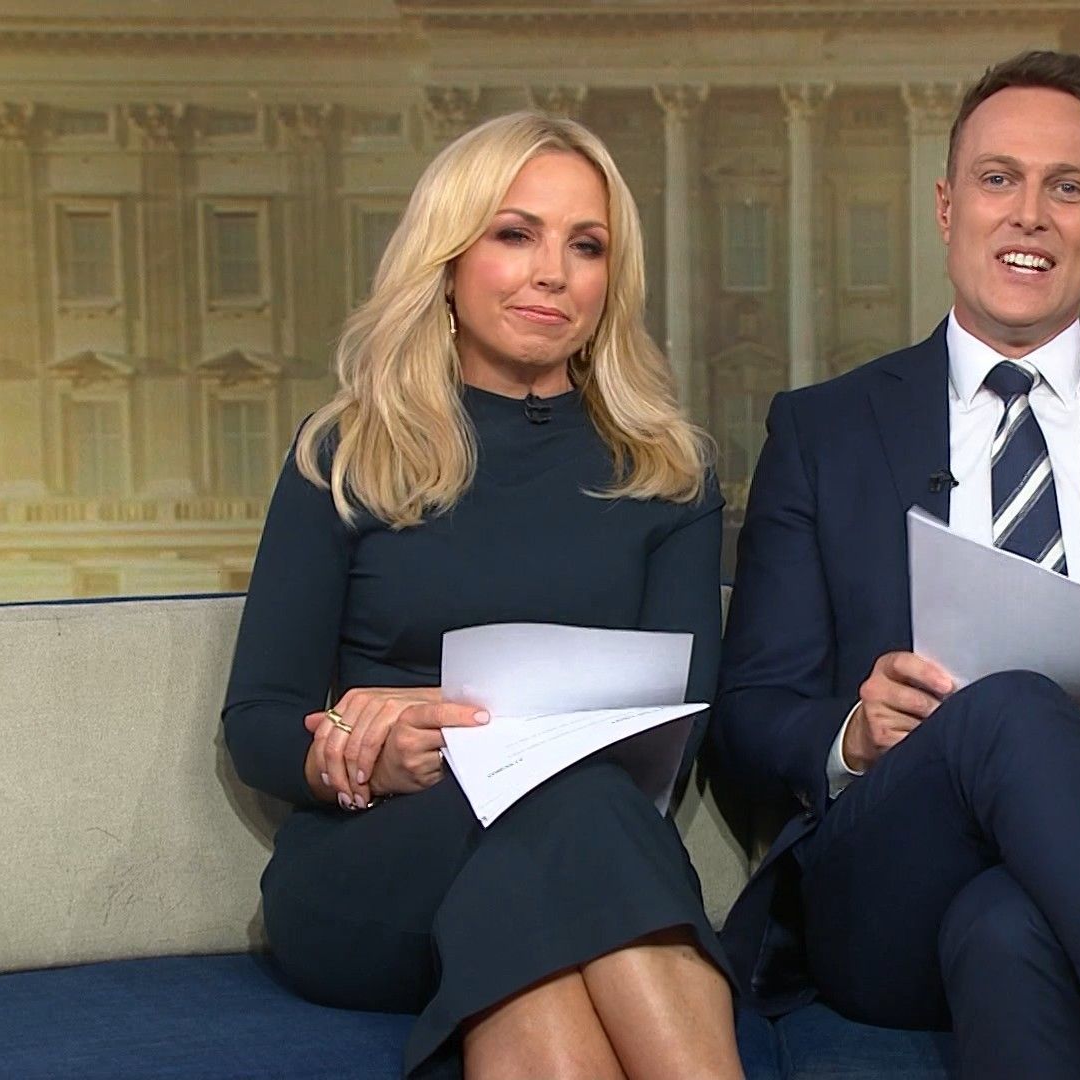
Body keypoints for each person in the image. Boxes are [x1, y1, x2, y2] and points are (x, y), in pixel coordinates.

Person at [713, 51, 1080, 1078]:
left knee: (1009, 930)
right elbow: (749, 714)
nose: (1030, 215)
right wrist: (853, 735)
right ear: (948, 207)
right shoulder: (822, 432)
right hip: (884, 891)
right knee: (1010, 709)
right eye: (999, 179)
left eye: (1066, 188)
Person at [221, 111, 741, 1080]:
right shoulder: (348, 452)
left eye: (586, 246)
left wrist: (503, 741)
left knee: (561, 867)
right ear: (450, 257)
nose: (553, 273)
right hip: (382, 858)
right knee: (578, 821)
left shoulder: (669, 470)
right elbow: (256, 723)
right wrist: (370, 760)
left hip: (584, 845)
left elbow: (682, 727)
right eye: (515, 234)